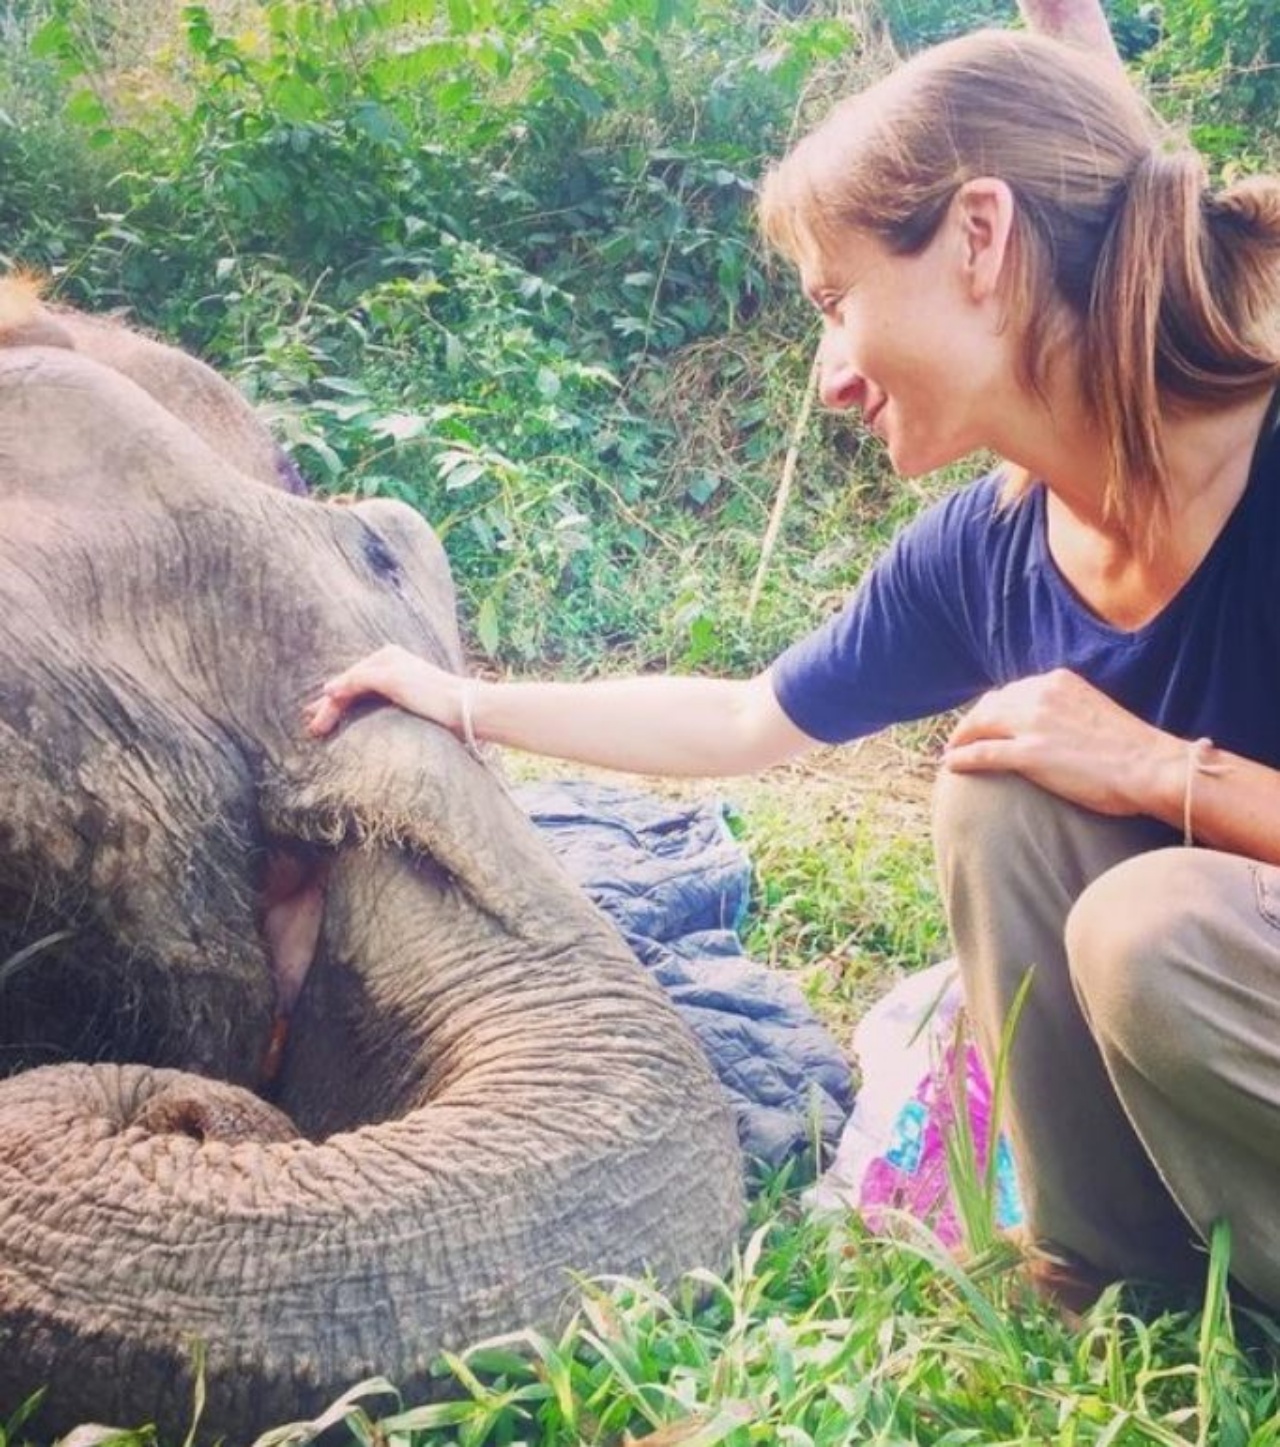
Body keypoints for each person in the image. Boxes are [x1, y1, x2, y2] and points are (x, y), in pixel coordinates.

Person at [306, 27, 1280, 1312]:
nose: (827, 376)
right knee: (1000, 792)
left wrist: (1165, 771)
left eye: (833, 301)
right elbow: (745, 714)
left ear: (979, 238)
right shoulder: (981, 548)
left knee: (1147, 926)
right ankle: (1113, 1284)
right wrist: (463, 699)